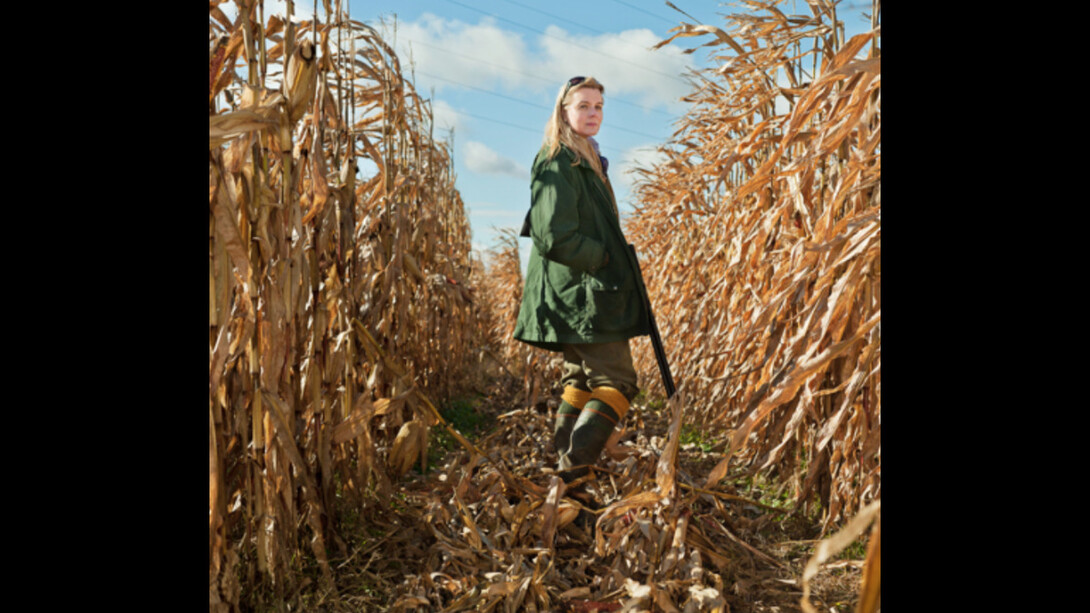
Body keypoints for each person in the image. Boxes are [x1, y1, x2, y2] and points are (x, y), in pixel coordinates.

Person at [514, 76, 652, 486]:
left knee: (578, 378)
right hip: (580, 291)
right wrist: (605, 257)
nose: (593, 114)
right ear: (563, 111)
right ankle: (573, 472)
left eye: (599, 106)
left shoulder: (585, 158)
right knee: (618, 380)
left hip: (578, 289)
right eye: (583, 106)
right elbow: (554, 234)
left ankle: (565, 471)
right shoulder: (559, 160)